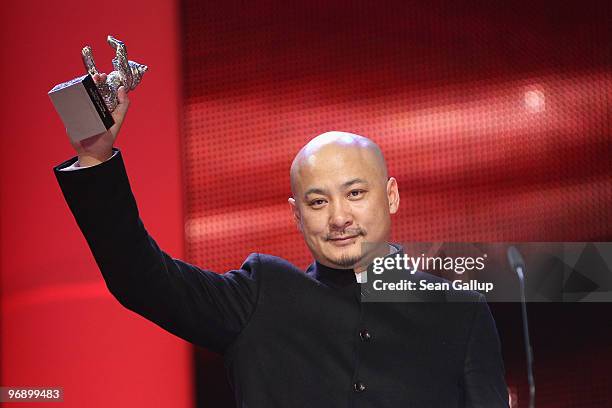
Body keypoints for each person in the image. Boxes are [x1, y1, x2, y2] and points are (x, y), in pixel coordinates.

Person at [54, 73, 509, 407]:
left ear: (390, 196)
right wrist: (95, 156)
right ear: (295, 215)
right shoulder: (262, 297)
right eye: (317, 202)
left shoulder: (457, 315)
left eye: (354, 194)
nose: (339, 218)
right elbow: (140, 277)